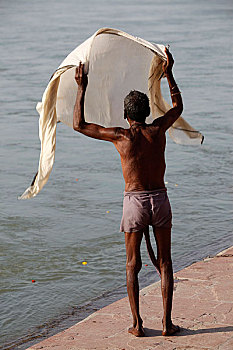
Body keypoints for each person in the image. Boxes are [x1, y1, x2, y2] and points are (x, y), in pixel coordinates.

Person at [73, 48, 183, 337]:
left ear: (125, 115)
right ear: (147, 113)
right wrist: (168, 72)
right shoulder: (157, 130)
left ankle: (137, 324)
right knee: (166, 262)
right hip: (159, 199)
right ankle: (167, 324)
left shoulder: (121, 136)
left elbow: (79, 125)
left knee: (132, 265)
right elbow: (177, 107)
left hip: (134, 203)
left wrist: (81, 88)